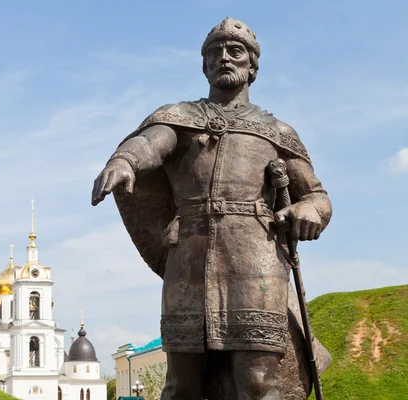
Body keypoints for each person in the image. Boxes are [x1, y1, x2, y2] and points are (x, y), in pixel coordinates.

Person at [91, 17, 332, 400]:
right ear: (204, 65)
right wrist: (125, 161)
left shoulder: (277, 132)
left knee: (257, 382)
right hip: (189, 258)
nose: (224, 57)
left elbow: (317, 197)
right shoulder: (181, 118)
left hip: (256, 262)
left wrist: (308, 212)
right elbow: (153, 143)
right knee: (181, 383)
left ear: (252, 66)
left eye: (235, 51)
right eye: (214, 52)